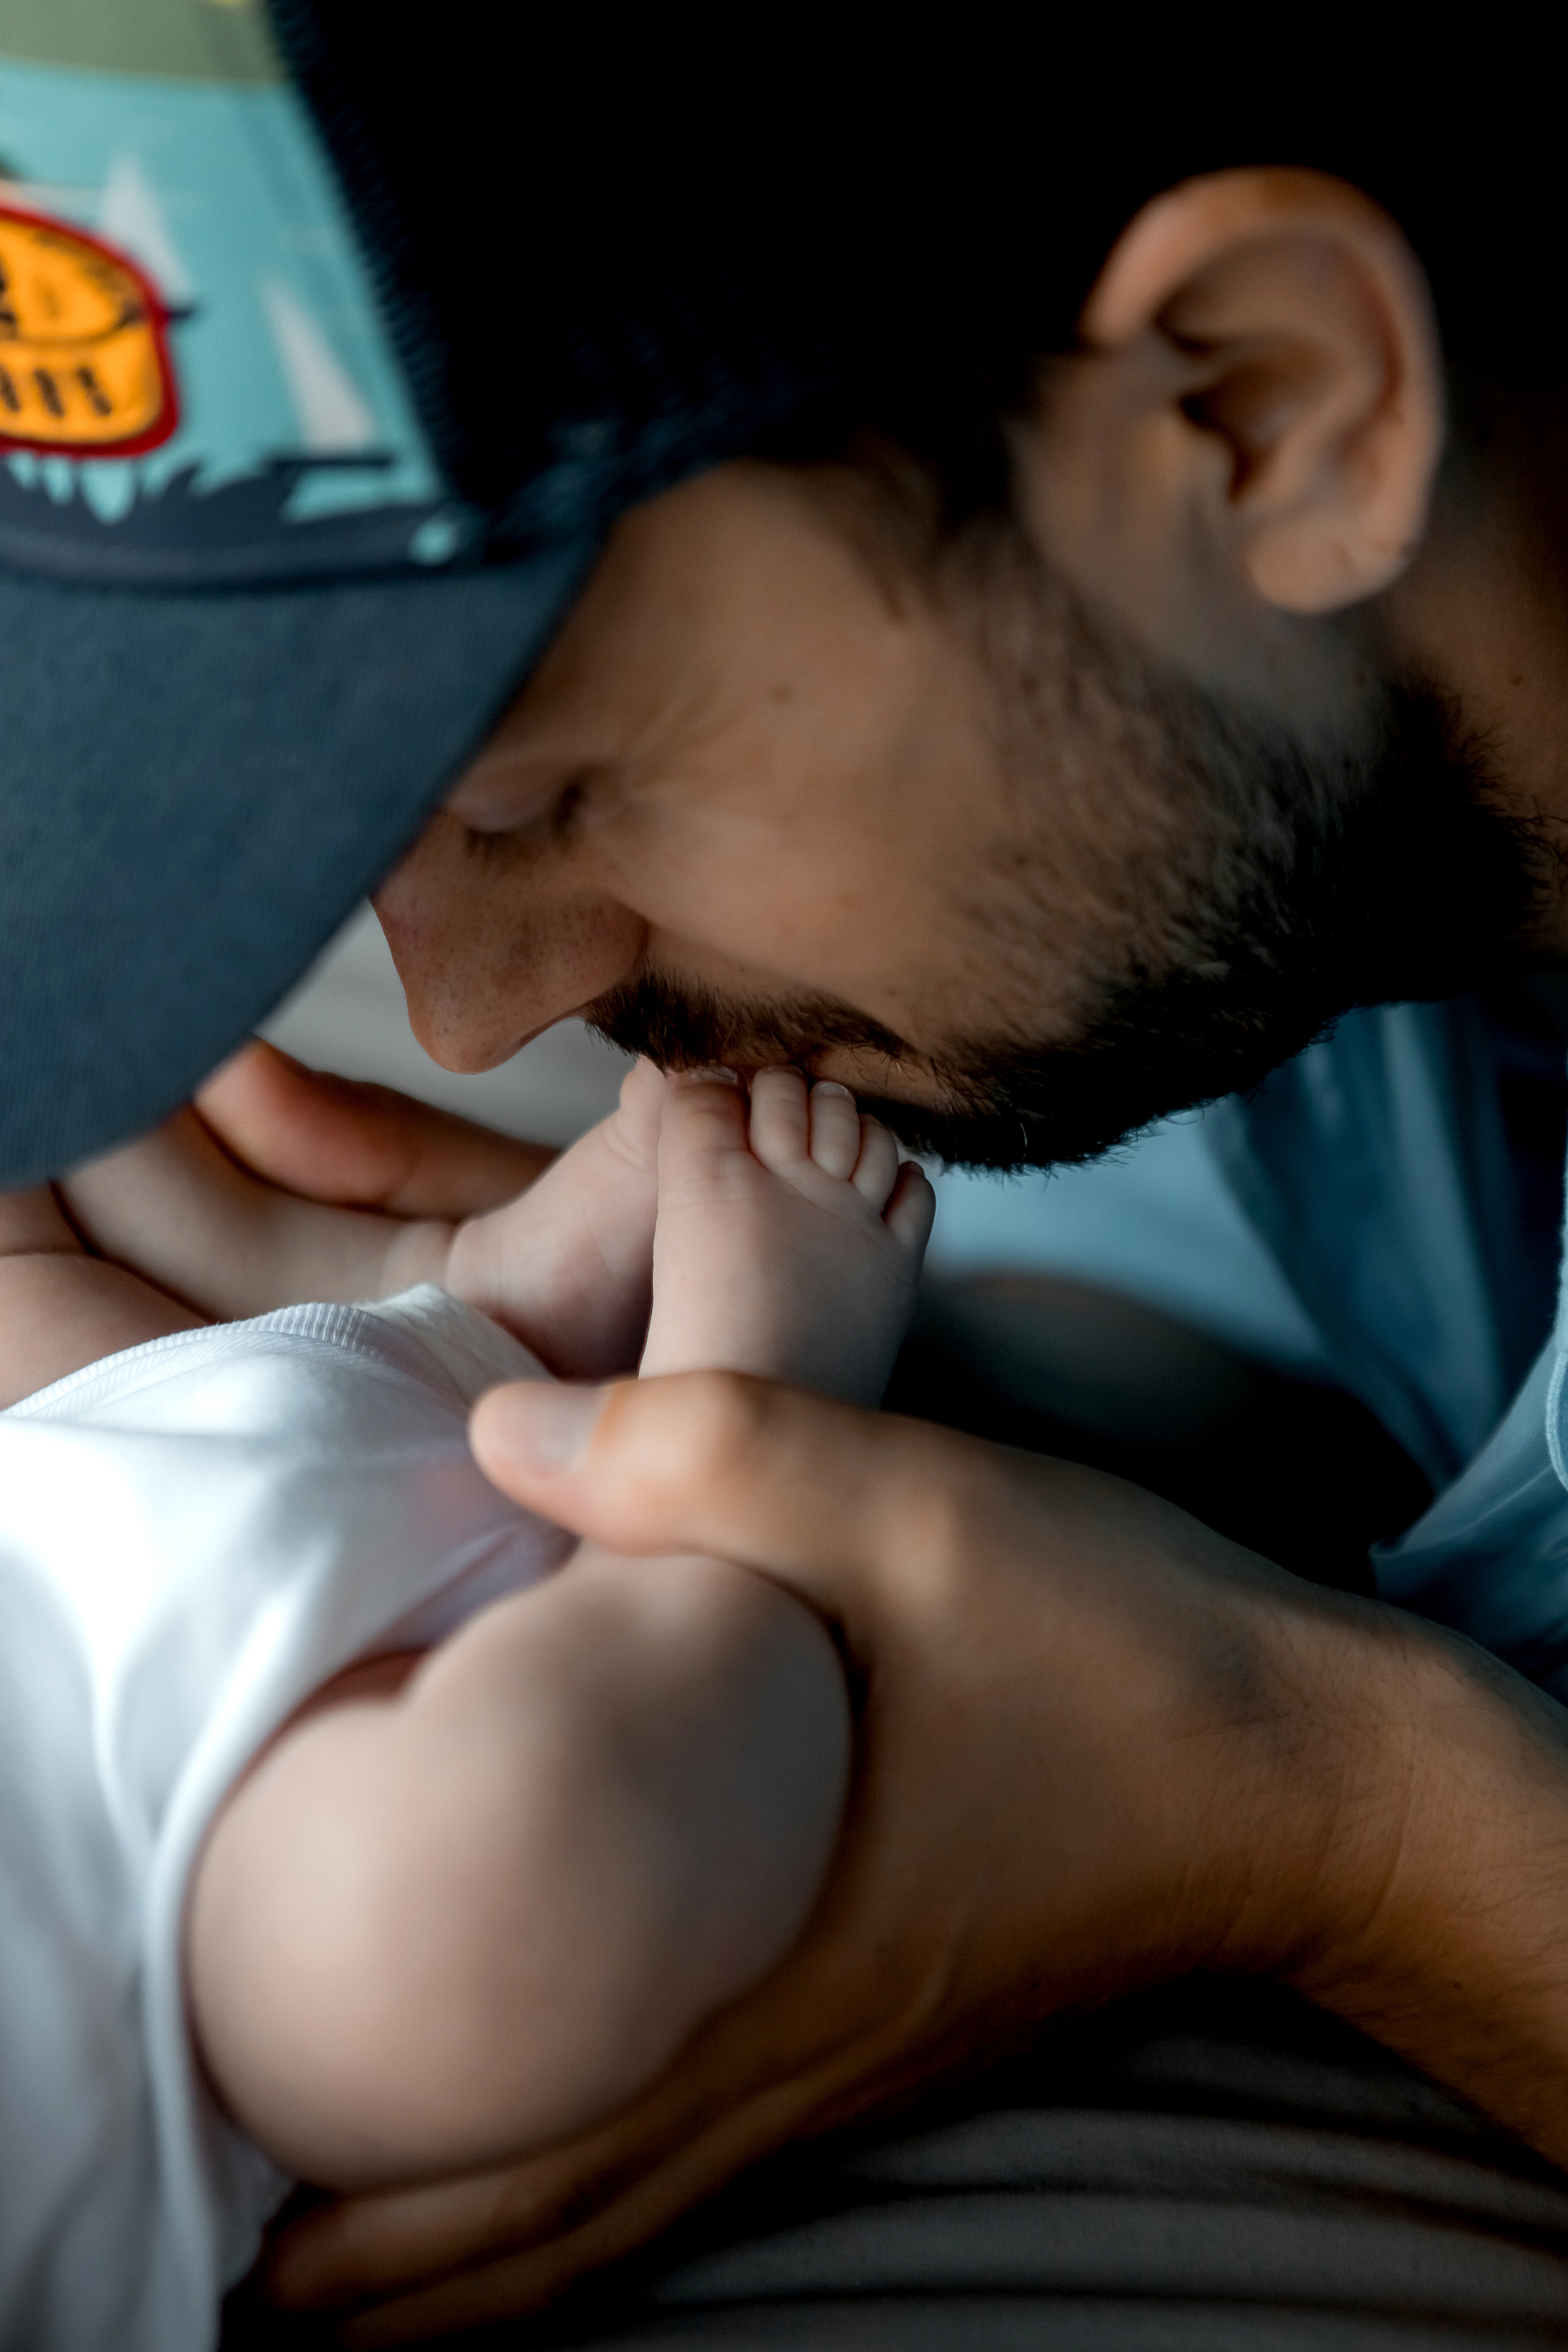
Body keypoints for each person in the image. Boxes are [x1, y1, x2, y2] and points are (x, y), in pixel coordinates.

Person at [9, 7, 1568, 2347]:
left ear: (1260, 403)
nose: (477, 1010)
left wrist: (1307, 1813)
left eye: (540, 798)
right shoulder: (1175, 866)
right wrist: (437, 1361)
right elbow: (1283, 1371)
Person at [0, 1061, 931, 2346]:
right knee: (452, 1931)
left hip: (54, 1466)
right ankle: (737, 1429)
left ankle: (462, 1299)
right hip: (206, 1917)